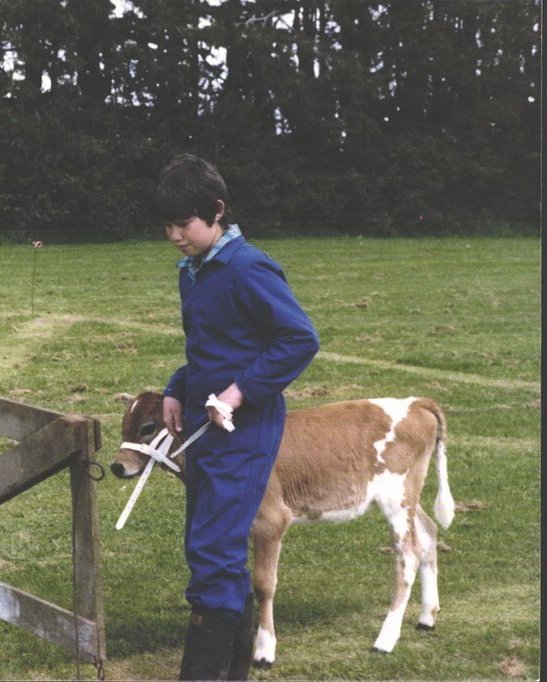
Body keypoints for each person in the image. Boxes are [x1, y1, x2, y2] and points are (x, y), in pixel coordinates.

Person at [155, 154, 319, 680]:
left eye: (185, 224)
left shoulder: (249, 268)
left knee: (213, 548)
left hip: (244, 429)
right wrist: (177, 389)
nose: (175, 235)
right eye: (168, 225)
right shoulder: (195, 271)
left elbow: (299, 339)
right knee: (206, 542)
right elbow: (209, 349)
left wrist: (239, 393)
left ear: (217, 211)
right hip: (204, 427)